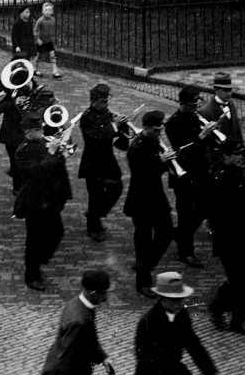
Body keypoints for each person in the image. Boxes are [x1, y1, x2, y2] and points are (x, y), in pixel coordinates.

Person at [132, 272, 230, 375]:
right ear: (162, 299)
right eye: (174, 300)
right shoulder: (148, 322)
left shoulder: (182, 315)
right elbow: (146, 362)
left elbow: (195, 347)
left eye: (181, 299)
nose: (179, 304)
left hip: (176, 372)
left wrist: (215, 374)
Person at [39, 269, 115, 375]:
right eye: (104, 293)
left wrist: (103, 357)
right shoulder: (78, 322)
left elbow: (89, 338)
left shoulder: (78, 303)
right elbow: (66, 360)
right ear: (94, 293)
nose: (106, 297)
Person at [207, 137, 245, 338]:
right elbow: (221, 210)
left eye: (241, 153)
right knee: (239, 281)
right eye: (236, 154)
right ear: (226, 156)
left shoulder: (240, 173)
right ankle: (229, 314)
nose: (241, 157)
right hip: (228, 239)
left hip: (243, 236)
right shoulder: (219, 178)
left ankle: (234, 317)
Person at [15, 114, 70, 291]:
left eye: (41, 129)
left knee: (57, 231)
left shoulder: (44, 142)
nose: (41, 132)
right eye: (37, 130)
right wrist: (52, 153)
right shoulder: (22, 151)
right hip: (34, 199)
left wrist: (62, 154)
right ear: (27, 132)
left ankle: (39, 259)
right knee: (34, 239)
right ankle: (32, 275)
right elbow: (36, 172)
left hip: (50, 196)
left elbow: (55, 166)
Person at [125, 110, 176, 298]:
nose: (159, 133)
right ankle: (143, 282)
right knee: (143, 240)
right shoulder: (135, 147)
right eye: (155, 130)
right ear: (146, 128)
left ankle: (145, 264)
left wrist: (169, 163)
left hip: (156, 197)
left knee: (167, 232)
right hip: (141, 199)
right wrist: (161, 162)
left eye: (160, 129)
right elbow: (141, 173)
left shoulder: (155, 141)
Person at [78, 83, 131, 242]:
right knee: (95, 195)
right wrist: (114, 126)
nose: (105, 105)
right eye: (102, 102)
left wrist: (124, 128)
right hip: (92, 161)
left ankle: (96, 213)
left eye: (106, 101)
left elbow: (122, 145)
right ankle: (93, 228)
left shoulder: (108, 115)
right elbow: (96, 138)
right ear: (93, 101)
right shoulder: (86, 117)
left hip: (107, 159)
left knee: (117, 188)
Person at [164, 87, 211, 267]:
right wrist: (201, 136)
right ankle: (186, 252)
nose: (195, 109)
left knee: (205, 206)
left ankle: (181, 234)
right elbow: (182, 149)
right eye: (192, 106)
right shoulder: (173, 123)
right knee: (185, 213)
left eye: (196, 105)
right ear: (182, 104)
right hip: (183, 173)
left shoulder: (196, 117)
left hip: (201, 171)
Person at [199, 73, 245, 169]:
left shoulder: (231, 103)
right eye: (225, 90)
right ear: (216, 90)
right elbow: (206, 144)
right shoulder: (206, 111)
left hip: (235, 157)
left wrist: (244, 153)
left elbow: (237, 130)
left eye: (230, 90)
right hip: (220, 160)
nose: (229, 94)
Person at [35, 2, 63, 79]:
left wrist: (53, 37)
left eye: (49, 10)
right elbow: (36, 30)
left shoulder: (53, 20)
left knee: (52, 56)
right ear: (42, 11)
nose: (48, 12)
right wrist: (37, 39)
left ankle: (54, 71)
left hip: (49, 41)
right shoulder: (40, 21)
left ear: (52, 11)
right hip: (41, 41)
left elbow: (52, 30)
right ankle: (35, 69)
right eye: (46, 10)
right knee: (39, 56)